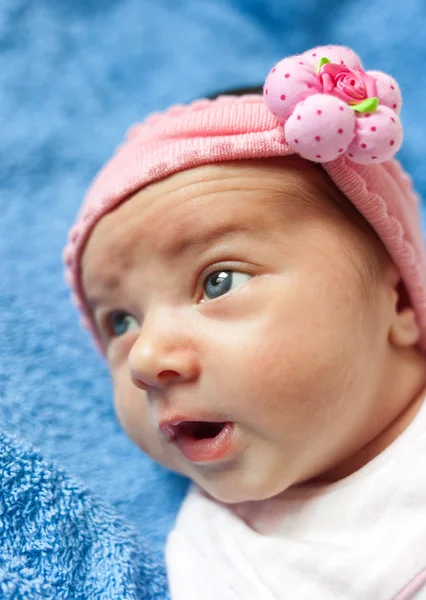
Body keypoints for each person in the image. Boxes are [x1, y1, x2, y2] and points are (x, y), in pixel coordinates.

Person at [63, 45, 426, 598]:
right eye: (120, 323)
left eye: (219, 281)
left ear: (397, 300)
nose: (144, 359)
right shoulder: (220, 558)